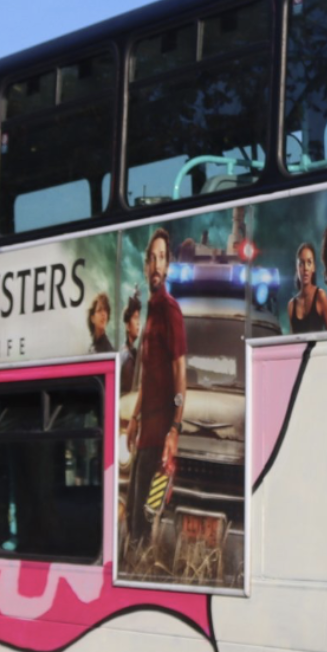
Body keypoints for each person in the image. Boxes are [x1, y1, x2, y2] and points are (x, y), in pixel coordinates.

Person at [125, 230, 187, 551]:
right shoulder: (149, 313)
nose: (156, 265)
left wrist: (175, 427)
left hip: (161, 444)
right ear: (146, 264)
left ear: (168, 265)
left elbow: (179, 372)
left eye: (162, 257)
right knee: (131, 522)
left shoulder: (170, 310)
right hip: (144, 439)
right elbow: (147, 376)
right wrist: (134, 418)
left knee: (146, 526)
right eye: (152, 258)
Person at [287, 242, 327, 335]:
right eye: (301, 263)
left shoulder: (320, 296)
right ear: (297, 268)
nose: (305, 268)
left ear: (314, 267)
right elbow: (291, 342)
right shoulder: (291, 305)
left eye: (309, 262)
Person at [120, 291, 142, 392]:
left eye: (139, 318)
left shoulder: (132, 352)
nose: (138, 323)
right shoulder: (128, 359)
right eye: (135, 318)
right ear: (128, 326)